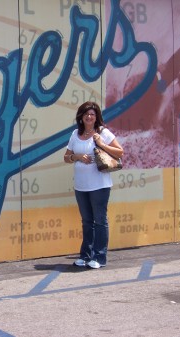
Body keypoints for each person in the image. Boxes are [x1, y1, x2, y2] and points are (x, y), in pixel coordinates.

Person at [64, 102, 124, 269]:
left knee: (100, 221)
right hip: (81, 186)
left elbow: (120, 152)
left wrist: (101, 143)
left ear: (96, 117)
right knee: (87, 221)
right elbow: (66, 157)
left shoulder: (102, 132)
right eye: (86, 114)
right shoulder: (75, 134)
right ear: (81, 117)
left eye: (92, 114)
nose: (89, 117)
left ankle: (99, 257)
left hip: (99, 185)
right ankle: (85, 255)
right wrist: (76, 156)